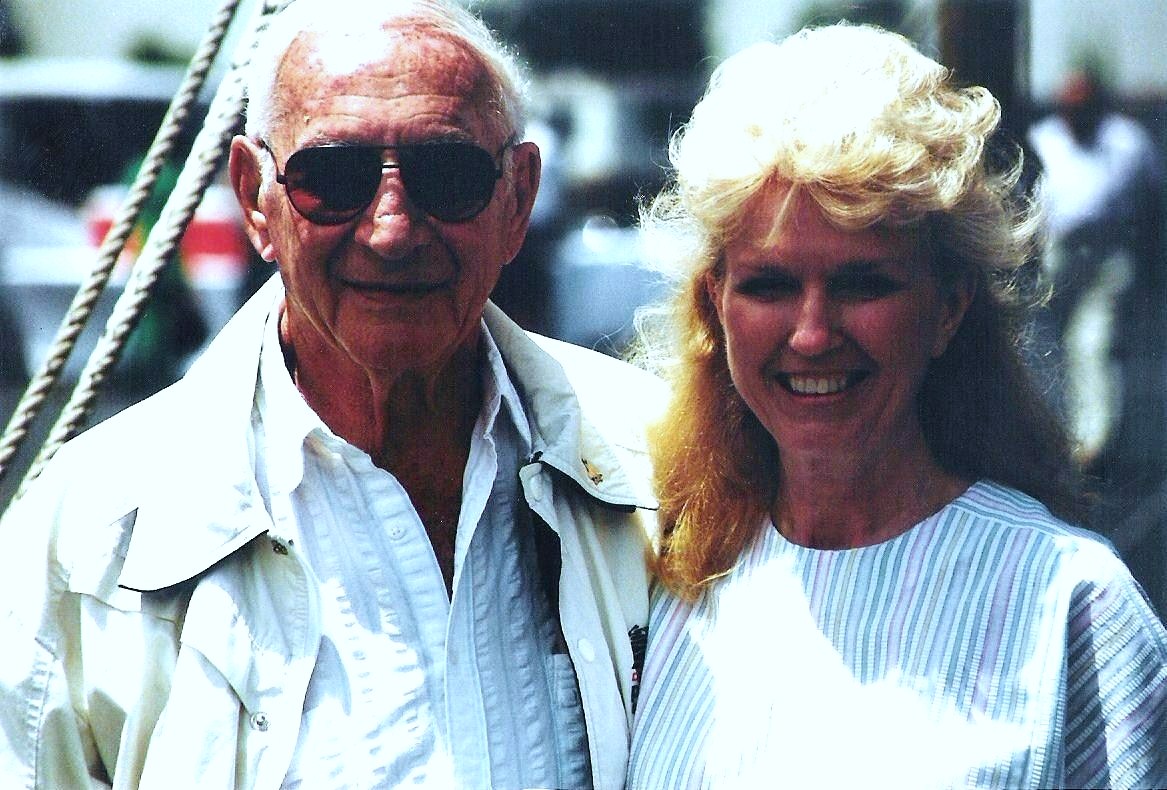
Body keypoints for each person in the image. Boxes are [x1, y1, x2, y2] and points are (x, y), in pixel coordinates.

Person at [0, 1, 663, 787]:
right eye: (333, 177)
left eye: (446, 175)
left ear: (516, 199)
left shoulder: (660, 466)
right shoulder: (86, 537)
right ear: (254, 198)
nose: (391, 230)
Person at [627, 23, 1167, 789]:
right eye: (770, 285)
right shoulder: (669, 579)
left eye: (861, 283)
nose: (811, 335)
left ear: (948, 307)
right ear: (714, 306)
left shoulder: (1071, 607)